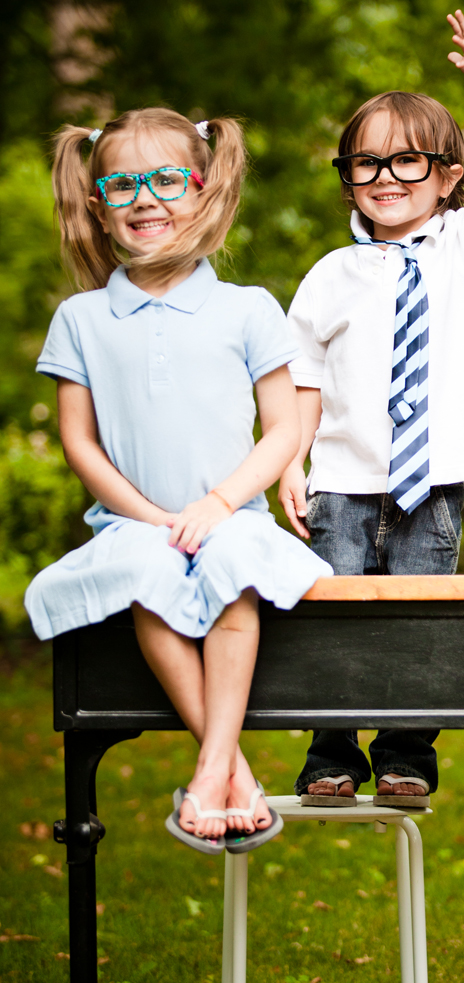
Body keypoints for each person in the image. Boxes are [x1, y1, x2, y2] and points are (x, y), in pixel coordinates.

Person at [24, 108, 332, 855]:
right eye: (122, 184)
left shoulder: (246, 308)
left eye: (166, 179)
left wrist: (219, 503)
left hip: (233, 516)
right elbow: (79, 442)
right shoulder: (81, 318)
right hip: (133, 523)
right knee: (147, 574)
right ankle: (232, 774)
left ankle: (211, 770)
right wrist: (152, 517)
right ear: (97, 204)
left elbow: (283, 429)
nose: (144, 198)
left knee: (234, 573)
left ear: (204, 190)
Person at [278, 9, 464, 809]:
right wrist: (287, 463)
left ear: (448, 175)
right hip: (343, 481)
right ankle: (329, 753)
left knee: (419, 618)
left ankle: (406, 755)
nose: (385, 176)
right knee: (332, 615)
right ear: (348, 176)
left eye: (407, 160)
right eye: (366, 162)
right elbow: (303, 381)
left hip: (436, 481)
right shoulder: (330, 273)